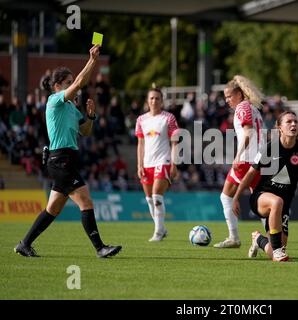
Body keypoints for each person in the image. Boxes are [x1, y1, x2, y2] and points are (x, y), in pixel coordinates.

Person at [14, 45, 122, 258]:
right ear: (57, 86)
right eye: (68, 83)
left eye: (72, 82)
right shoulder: (54, 101)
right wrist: (92, 60)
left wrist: (90, 117)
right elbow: (82, 81)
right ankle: (100, 248)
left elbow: (86, 132)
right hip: (60, 159)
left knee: (52, 209)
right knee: (86, 202)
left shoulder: (71, 107)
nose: (74, 87)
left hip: (65, 159)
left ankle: (24, 244)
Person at [232, 111, 298, 262]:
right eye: (289, 122)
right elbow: (251, 174)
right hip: (261, 197)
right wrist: (236, 197)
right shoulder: (269, 148)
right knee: (276, 202)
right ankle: (278, 249)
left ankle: (258, 239)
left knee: (276, 252)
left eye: (296, 122)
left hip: (284, 205)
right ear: (279, 127)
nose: (293, 124)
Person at [213, 75, 265, 249]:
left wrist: (238, 155)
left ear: (240, 94)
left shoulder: (242, 108)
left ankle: (234, 237)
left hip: (247, 160)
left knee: (225, 196)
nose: (227, 100)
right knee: (261, 202)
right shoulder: (253, 107)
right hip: (260, 159)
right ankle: (274, 241)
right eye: (225, 97)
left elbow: (249, 133)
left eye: (230, 96)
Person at [135, 87, 179, 241]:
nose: (154, 101)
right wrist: (139, 164)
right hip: (147, 163)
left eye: (157, 98)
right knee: (149, 199)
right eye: (152, 98)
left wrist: (174, 163)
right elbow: (140, 143)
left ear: (162, 101)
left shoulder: (169, 118)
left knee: (156, 196)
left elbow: (175, 142)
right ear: (148, 101)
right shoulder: (141, 120)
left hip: (163, 161)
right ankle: (161, 228)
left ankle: (158, 233)